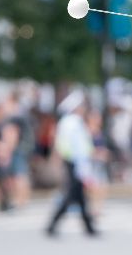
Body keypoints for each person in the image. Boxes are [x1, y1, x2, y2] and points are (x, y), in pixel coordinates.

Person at [46, 96, 98, 238]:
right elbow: (76, 146)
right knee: (71, 194)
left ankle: (89, 227)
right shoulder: (72, 122)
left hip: (76, 161)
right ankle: (53, 224)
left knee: (79, 195)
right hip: (74, 161)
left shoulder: (71, 122)